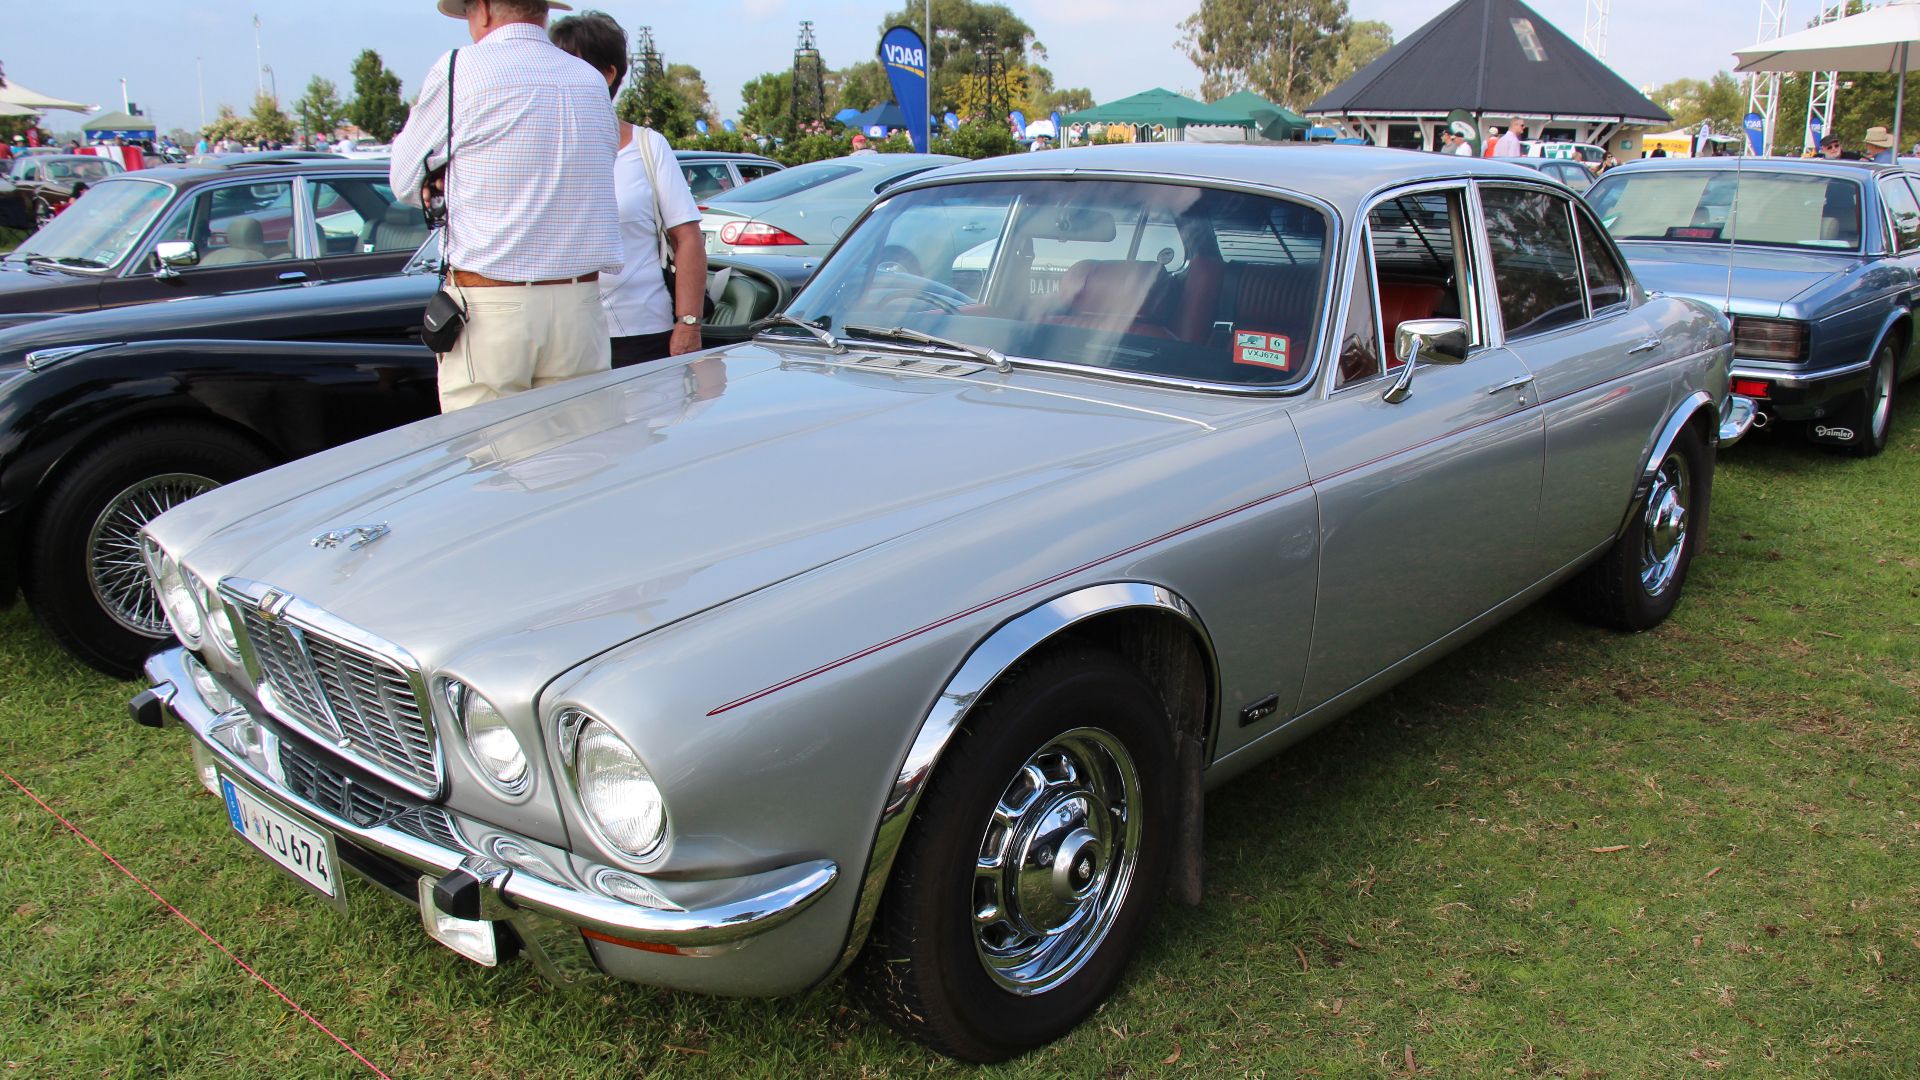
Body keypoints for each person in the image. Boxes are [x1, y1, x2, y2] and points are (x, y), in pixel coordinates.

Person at [391, 0, 621, 413]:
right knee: (583, 462)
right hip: (579, 304)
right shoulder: (589, 80)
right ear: (543, 11)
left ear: (481, 9)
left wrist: (443, 176)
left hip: (493, 307)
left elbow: (404, 179)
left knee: (491, 464)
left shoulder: (460, 69)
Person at [549, 9, 706, 367]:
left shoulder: (647, 146)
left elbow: (688, 238)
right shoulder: (545, 147)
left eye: (571, 67)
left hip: (640, 331)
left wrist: (688, 324)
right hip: (563, 333)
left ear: (608, 75)